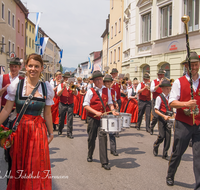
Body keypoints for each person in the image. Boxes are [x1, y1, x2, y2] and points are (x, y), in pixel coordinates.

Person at [0, 53, 54, 189]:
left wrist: (51, 133)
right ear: (25, 66)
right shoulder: (16, 86)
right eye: (30, 65)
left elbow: (47, 113)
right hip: (20, 131)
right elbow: (7, 110)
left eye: (36, 66)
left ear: (42, 68)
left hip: (38, 131)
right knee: (19, 165)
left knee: (37, 165)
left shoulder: (46, 87)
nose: (33, 69)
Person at [166, 51, 200, 189]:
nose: (194, 67)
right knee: (178, 152)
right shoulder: (179, 82)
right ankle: (170, 174)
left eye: (196, 64)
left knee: (198, 157)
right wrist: (186, 104)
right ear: (186, 66)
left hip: (198, 124)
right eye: (191, 65)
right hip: (183, 124)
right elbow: (172, 103)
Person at [83, 70, 118, 170]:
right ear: (93, 81)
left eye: (100, 79)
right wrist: (95, 112)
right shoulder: (90, 91)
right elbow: (85, 105)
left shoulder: (107, 90)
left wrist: (113, 110)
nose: (99, 81)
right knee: (92, 138)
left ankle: (104, 162)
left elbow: (110, 103)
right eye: (97, 79)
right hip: (93, 118)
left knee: (103, 138)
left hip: (103, 118)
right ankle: (90, 154)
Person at [153, 79, 172, 160]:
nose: (168, 90)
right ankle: (156, 145)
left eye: (169, 88)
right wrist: (163, 116)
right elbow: (156, 110)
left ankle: (165, 153)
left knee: (168, 137)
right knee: (162, 136)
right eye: (167, 88)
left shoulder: (171, 97)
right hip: (161, 118)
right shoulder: (159, 97)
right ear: (162, 89)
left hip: (169, 119)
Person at [57, 72, 77, 138]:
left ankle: (69, 133)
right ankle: (60, 129)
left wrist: (73, 87)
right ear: (64, 78)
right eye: (66, 78)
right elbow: (58, 94)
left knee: (70, 119)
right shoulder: (61, 85)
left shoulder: (72, 85)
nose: (67, 79)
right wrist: (63, 88)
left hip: (70, 104)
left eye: (68, 78)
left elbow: (76, 93)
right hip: (62, 103)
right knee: (61, 118)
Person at [103, 74, 118, 156]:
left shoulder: (113, 91)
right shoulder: (102, 90)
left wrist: (116, 104)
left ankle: (113, 149)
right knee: (104, 132)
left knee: (112, 132)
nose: (108, 83)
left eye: (109, 82)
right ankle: (103, 149)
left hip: (111, 112)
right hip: (104, 112)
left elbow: (113, 100)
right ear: (104, 82)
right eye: (107, 82)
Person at [150, 69, 165, 135]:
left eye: (162, 74)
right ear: (158, 75)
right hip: (155, 99)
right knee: (156, 116)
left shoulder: (165, 81)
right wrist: (159, 84)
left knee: (162, 115)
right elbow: (152, 90)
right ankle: (152, 127)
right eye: (160, 74)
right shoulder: (154, 81)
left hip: (163, 99)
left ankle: (161, 130)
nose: (161, 76)